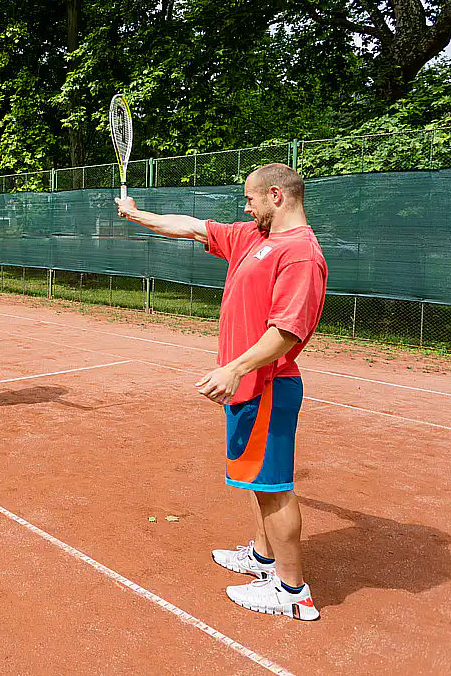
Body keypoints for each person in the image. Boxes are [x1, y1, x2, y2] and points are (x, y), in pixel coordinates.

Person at [115, 162, 327, 621]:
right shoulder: (255, 237)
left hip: (268, 385)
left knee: (275, 488)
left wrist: (236, 367)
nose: (245, 207)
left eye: (250, 199)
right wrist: (137, 214)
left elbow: (287, 332)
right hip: (246, 385)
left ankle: (293, 593)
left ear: (276, 196)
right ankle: (262, 557)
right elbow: (191, 227)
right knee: (258, 482)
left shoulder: (300, 253)